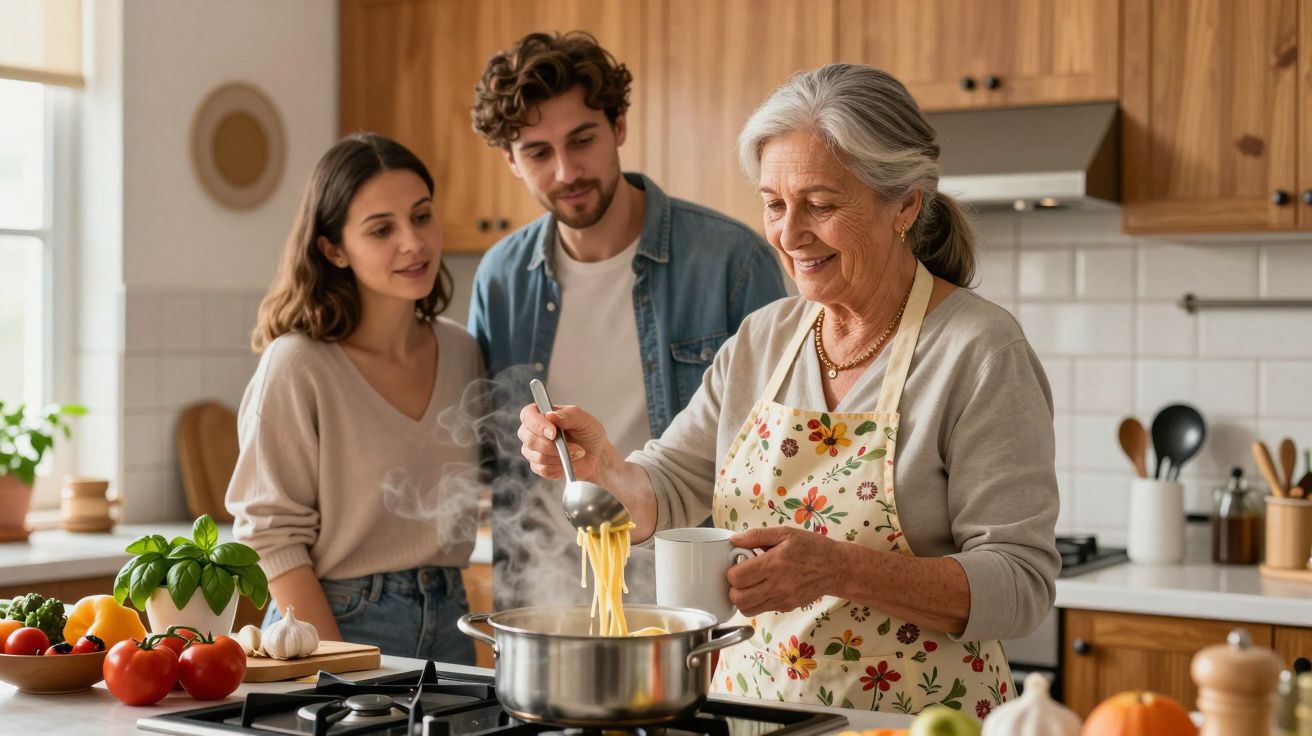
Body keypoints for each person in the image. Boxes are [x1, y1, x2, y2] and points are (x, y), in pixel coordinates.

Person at [516, 64, 1060, 718]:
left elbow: (1021, 585)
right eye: (775, 204)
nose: (790, 234)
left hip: (916, 725)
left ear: (905, 205)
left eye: (822, 205)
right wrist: (605, 467)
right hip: (753, 716)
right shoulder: (764, 338)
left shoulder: (978, 351)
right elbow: (670, 485)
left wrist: (840, 570)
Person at [467, 31, 787, 610]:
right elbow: (493, 448)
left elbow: (778, 453)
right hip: (541, 591)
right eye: (538, 153)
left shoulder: (732, 263)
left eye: (582, 139)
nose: (566, 171)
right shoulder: (500, 278)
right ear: (510, 161)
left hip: (690, 589)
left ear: (618, 126)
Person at [226, 133, 482, 663]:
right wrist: (339, 666)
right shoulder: (298, 363)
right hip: (336, 617)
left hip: (452, 612)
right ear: (333, 249)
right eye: (382, 229)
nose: (413, 242)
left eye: (422, 216)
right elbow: (271, 536)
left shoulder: (461, 350)